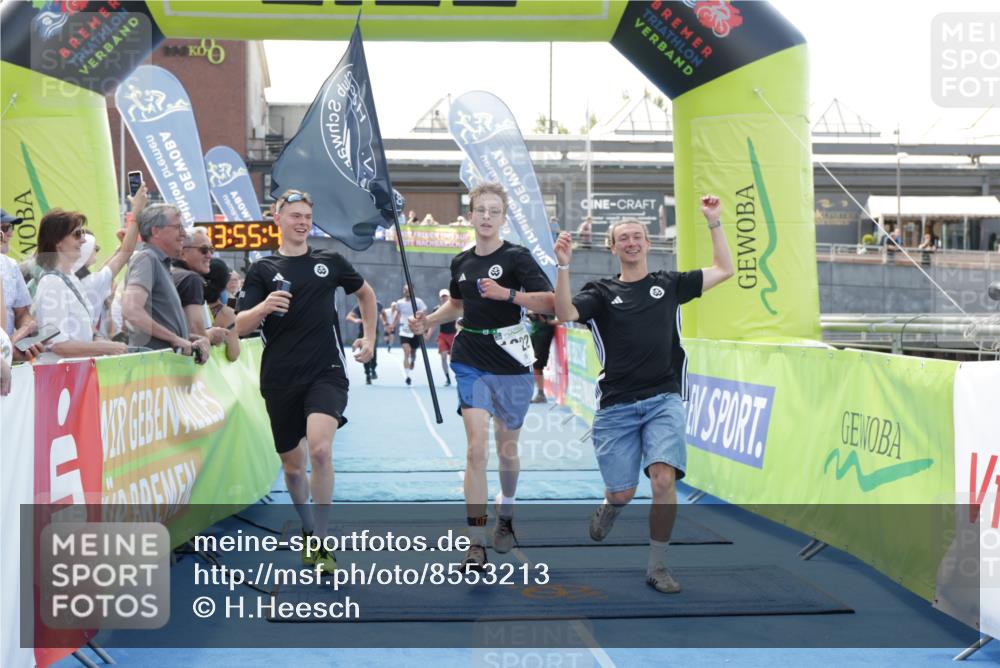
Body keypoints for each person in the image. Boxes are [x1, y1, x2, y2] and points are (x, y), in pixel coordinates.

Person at [553, 195, 734, 594]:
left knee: (663, 480)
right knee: (623, 491)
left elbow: (725, 269)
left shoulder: (669, 284)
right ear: (612, 247)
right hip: (616, 405)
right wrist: (563, 265)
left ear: (649, 244)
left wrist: (714, 222)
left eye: (638, 236)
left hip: (663, 398)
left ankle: (657, 564)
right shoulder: (599, 292)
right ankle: (610, 505)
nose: (632, 242)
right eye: (623, 238)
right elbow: (565, 314)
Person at [409, 182, 555, 569]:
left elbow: (550, 301)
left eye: (494, 211)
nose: (486, 216)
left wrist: (508, 295)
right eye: (480, 210)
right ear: (470, 215)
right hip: (470, 356)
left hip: (511, 362)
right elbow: (457, 305)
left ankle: (505, 512)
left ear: (503, 217)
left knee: (507, 452)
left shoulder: (518, 258)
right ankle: (475, 541)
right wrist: (429, 319)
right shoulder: (461, 262)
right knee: (476, 448)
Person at [236, 189, 377, 574]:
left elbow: (366, 294)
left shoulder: (329, 261)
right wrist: (263, 307)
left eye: (306, 216)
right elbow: (237, 324)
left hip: (325, 371)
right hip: (280, 377)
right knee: (294, 468)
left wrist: (370, 336)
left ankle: (320, 540)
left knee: (319, 452)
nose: (302, 222)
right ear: (277, 219)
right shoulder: (262, 269)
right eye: (294, 215)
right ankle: (307, 526)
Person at [31, 210, 128, 358]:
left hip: (76, 374)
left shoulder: (69, 279)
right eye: (77, 234)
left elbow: (81, 331)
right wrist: (106, 347)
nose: (83, 240)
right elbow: (58, 345)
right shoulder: (53, 282)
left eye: (82, 233)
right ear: (58, 241)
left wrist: (98, 339)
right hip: (61, 377)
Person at [122, 204, 210, 362]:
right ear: (156, 231)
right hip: (152, 367)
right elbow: (132, 311)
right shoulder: (147, 258)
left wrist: (190, 339)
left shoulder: (159, 262)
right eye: (178, 227)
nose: (183, 234)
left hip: (162, 367)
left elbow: (161, 325)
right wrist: (175, 339)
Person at [74, 185, 145, 337]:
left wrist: (121, 247)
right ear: (84, 252)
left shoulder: (69, 279)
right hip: (89, 351)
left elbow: (107, 267)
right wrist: (137, 210)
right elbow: (125, 255)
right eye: (95, 247)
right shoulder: (90, 283)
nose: (97, 250)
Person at [172, 227, 228, 347]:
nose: (209, 255)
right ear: (183, 253)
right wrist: (212, 334)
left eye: (211, 250)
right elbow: (197, 333)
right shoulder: (191, 279)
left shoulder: (166, 272)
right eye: (204, 250)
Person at [1, 209, 41, 361]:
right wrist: (8, 345)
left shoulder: (11, 265)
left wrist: (25, 331)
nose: (10, 233)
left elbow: (22, 313)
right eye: (4, 228)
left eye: (11, 227)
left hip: (7, 364)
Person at [203, 258, 240, 362]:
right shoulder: (229, 307)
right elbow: (233, 354)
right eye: (231, 279)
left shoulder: (187, 304)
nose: (233, 283)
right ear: (225, 282)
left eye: (235, 280)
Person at [391, 285, 426, 386]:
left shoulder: (418, 302)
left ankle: (413, 360)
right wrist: (393, 326)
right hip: (404, 328)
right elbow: (398, 315)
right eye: (405, 290)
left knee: (413, 351)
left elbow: (424, 314)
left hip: (415, 327)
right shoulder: (399, 302)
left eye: (408, 290)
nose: (406, 291)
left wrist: (424, 327)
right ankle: (407, 376)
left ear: (412, 291)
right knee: (406, 351)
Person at [346, 295, 386, 384]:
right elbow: (349, 316)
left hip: (374, 332)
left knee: (373, 350)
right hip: (362, 333)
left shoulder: (378, 304)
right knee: (364, 352)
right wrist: (355, 320)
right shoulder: (359, 305)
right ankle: (367, 374)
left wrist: (384, 322)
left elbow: (384, 313)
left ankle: (373, 368)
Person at [527, 311, 557, 403]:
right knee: (532, 366)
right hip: (534, 335)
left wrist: (546, 321)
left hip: (544, 336)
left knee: (537, 366)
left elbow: (564, 320)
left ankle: (540, 394)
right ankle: (539, 393)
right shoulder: (536, 302)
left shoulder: (553, 301)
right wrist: (532, 314)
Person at [434, 288, 457, 386]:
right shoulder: (436, 309)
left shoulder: (455, 308)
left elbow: (458, 322)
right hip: (442, 336)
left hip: (453, 336)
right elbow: (433, 323)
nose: (444, 298)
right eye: (442, 297)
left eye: (446, 296)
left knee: (452, 359)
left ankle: (458, 376)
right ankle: (447, 378)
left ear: (449, 297)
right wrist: (427, 335)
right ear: (440, 298)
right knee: (443, 357)